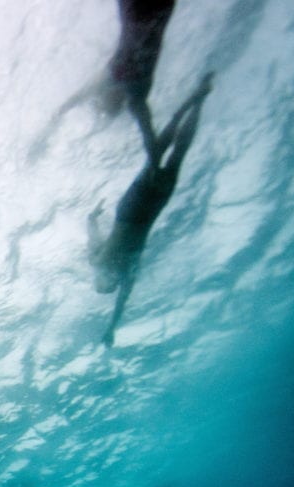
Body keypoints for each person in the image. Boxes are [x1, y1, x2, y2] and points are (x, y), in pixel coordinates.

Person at [87, 72, 212, 346]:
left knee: (170, 157)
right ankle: (194, 101)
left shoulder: (118, 272)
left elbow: (93, 235)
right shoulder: (109, 267)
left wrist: (92, 218)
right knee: (159, 158)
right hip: (136, 212)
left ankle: (196, 101)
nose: (104, 281)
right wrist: (111, 328)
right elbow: (93, 235)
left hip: (141, 211)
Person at [30, 1, 176, 163]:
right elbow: (149, 135)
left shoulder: (113, 81)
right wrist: (155, 160)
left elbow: (66, 107)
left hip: (140, 14)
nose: (109, 97)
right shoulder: (136, 96)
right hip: (149, 14)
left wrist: (42, 138)